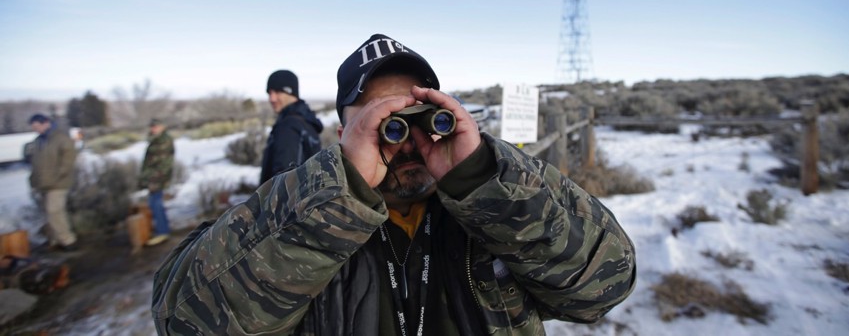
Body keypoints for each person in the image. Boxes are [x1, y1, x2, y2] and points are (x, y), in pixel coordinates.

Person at [152, 34, 636, 335]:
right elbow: (185, 320)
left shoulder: (487, 209)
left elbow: (603, 285)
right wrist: (336, 192)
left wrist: (485, 176)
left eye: (416, 117)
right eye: (383, 123)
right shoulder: (301, 213)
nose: (404, 141)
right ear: (344, 136)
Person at [260, 69, 323, 184]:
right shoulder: (307, 121)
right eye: (269, 93)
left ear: (291, 92)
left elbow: (284, 184)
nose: (271, 98)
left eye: (278, 92)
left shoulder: (289, 126)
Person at [28, 113, 78, 251]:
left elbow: (68, 160)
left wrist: (58, 175)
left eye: (37, 126)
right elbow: (36, 162)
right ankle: (55, 240)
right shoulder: (38, 141)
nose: (36, 129)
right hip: (43, 183)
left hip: (58, 183)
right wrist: (33, 180)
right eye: (34, 127)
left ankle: (68, 240)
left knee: (55, 211)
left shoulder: (61, 138)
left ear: (46, 123)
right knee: (48, 214)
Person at [138, 118, 175, 247]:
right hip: (153, 178)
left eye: (156, 126)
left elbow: (163, 163)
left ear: (162, 126)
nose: (153, 129)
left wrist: (155, 180)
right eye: (152, 126)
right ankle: (161, 229)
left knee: (156, 203)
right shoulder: (156, 139)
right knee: (154, 203)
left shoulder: (163, 140)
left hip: (157, 178)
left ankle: (162, 231)